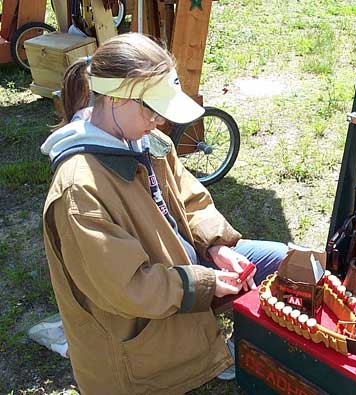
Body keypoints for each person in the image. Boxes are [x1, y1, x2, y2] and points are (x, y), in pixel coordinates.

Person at [41, 33, 286, 395]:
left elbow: (191, 200)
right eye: (151, 108)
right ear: (112, 99)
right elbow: (129, 288)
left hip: (183, 270)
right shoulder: (80, 188)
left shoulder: (151, 142)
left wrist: (217, 246)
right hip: (136, 329)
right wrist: (204, 284)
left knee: (281, 261)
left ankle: (230, 347)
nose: (159, 121)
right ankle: (202, 351)